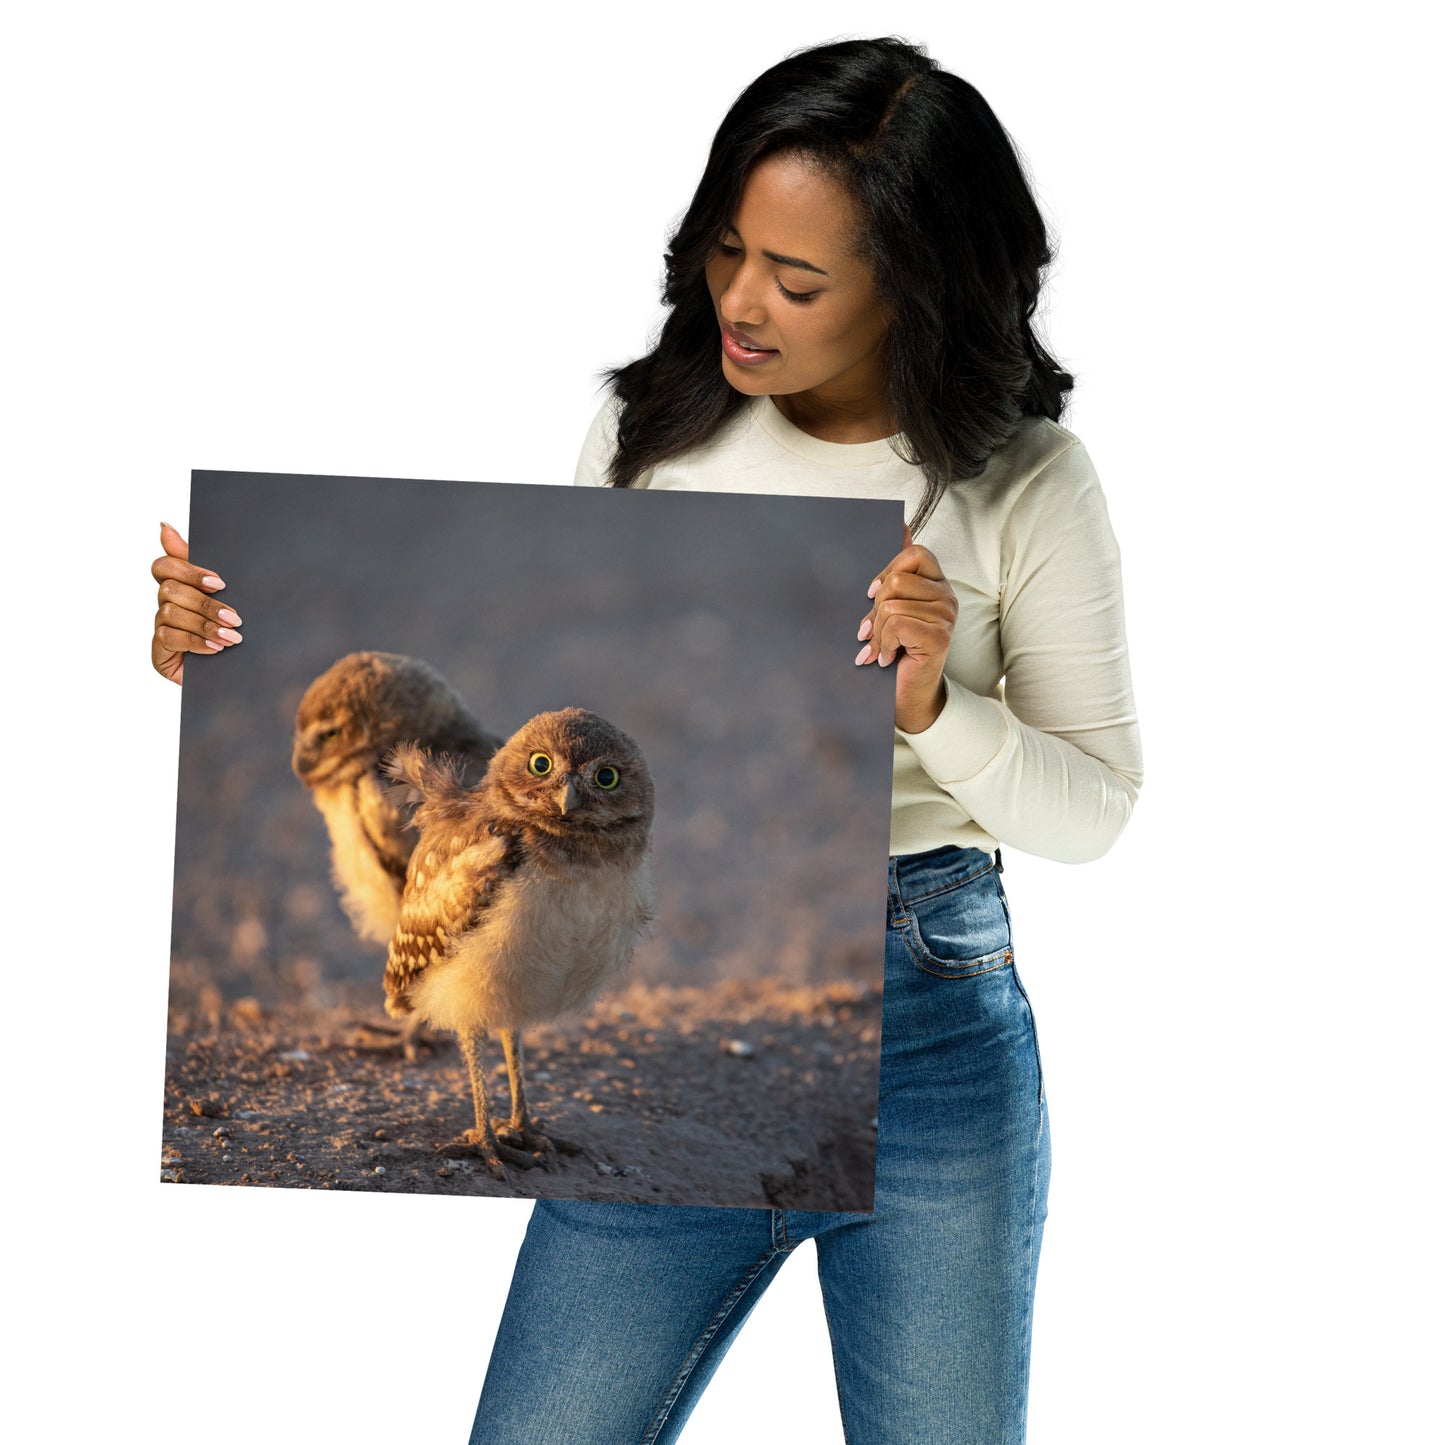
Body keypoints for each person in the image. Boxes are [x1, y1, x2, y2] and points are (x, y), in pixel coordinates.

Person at [150, 36, 1141, 1444]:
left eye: (796, 280)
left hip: (934, 1028)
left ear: (916, 286)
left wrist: (934, 708)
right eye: (726, 250)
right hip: (685, 1004)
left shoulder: (1028, 479)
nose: (740, 300)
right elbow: (517, 762)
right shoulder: (646, 426)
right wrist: (226, 645)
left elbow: (1094, 809)